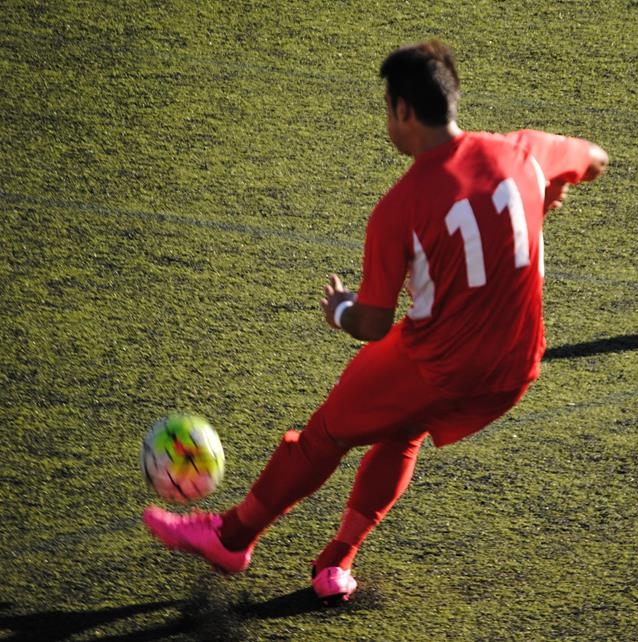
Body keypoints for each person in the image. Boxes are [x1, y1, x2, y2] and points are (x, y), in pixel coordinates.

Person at [143, 39, 608, 603]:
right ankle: (336, 562)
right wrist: (551, 189)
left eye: (386, 109)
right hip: (513, 370)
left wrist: (338, 308)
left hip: (436, 364)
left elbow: (371, 323)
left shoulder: (401, 208)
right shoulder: (525, 152)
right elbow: (595, 156)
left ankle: (231, 536)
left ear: (403, 111)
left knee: (324, 437)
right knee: (404, 431)